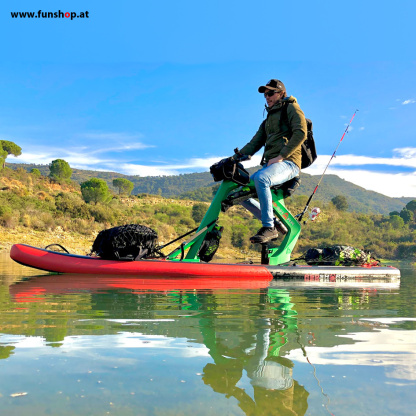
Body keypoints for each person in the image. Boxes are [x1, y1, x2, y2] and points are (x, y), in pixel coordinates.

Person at [235, 79, 307, 243]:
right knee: (239, 193)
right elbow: (254, 143)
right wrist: (233, 158)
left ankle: (269, 227)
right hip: (272, 164)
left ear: (281, 93)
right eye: (265, 94)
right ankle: (274, 221)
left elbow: (301, 133)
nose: (267, 97)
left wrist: (281, 156)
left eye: (270, 93)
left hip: (289, 163)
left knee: (262, 178)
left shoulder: (291, 107)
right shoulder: (268, 120)